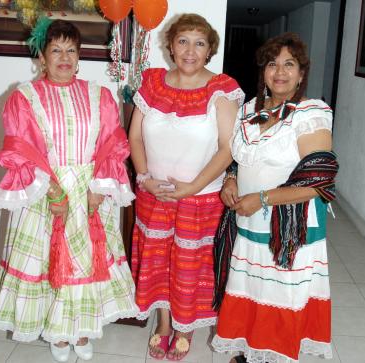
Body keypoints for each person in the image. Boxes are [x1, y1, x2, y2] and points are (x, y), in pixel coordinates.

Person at [0, 18, 138, 362]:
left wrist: (99, 187)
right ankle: (58, 333)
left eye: (71, 50)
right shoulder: (23, 97)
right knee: (50, 264)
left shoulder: (99, 95)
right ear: (42, 56)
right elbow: (20, 147)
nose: (64, 57)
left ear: (80, 56)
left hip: (89, 192)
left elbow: (113, 142)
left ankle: (81, 329)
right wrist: (52, 190)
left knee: (85, 263)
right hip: (45, 192)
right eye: (56, 50)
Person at [212, 32, 339, 363]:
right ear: (263, 71)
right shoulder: (250, 111)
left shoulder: (310, 112)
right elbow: (240, 160)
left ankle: (275, 354)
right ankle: (251, 350)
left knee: (280, 294)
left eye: (289, 64)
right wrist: (230, 179)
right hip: (249, 219)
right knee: (253, 289)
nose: (280, 72)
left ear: (301, 73)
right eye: (272, 64)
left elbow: (320, 181)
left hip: (289, 225)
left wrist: (263, 199)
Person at [128, 13, 244, 361]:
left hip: (201, 199)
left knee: (190, 267)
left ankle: (184, 326)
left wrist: (191, 187)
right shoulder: (151, 83)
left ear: (210, 50)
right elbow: (134, 136)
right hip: (155, 195)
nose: (190, 50)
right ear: (171, 46)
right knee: (159, 262)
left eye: (199, 43)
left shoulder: (221, 89)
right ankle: (164, 323)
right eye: (182, 41)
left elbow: (228, 148)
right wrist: (145, 177)